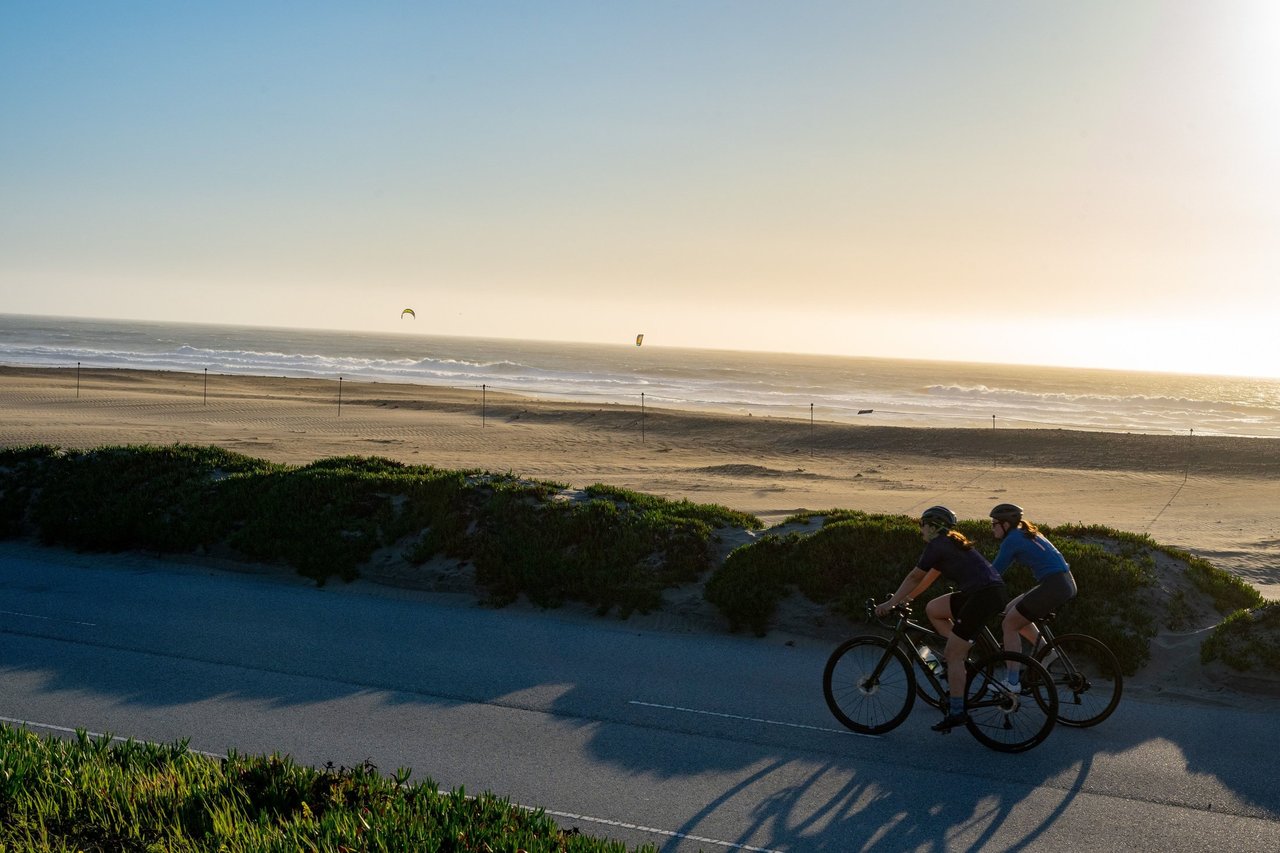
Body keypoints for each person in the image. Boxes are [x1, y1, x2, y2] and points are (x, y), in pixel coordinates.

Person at [875, 505, 1007, 732]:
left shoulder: (938, 545)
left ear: (933, 527)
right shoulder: (949, 542)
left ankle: (957, 711)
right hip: (984, 592)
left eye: (922, 525)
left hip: (982, 596)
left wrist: (890, 604)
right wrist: (908, 599)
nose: (920, 530)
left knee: (952, 655)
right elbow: (926, 579)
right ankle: (959, 649)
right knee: (934, 609)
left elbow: (915, 576)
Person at [988, 503, 1076, 689]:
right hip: (1063, 582)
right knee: (1010, 611)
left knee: (1009, 624)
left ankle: (1011, 682)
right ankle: (1047, 652)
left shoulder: (1012, 540)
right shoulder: (1025, 533)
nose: (992, 527)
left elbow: (995, 573)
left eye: (994, 523)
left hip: (1054, 586)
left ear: (1005, 524)